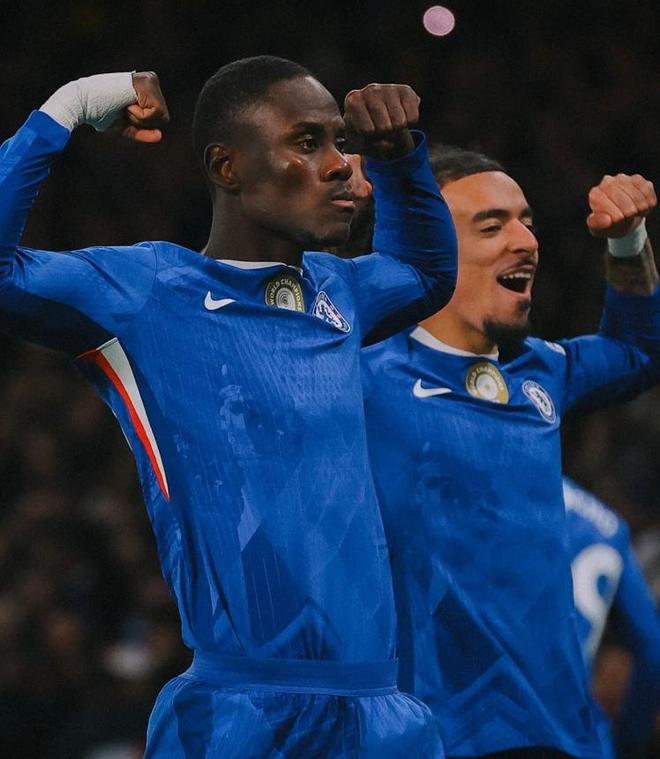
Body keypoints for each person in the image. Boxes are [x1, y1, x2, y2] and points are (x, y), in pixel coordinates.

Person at [0, 57, 457, 756]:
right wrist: (70, 105)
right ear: (227, 166)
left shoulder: (341, 290)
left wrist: (398, 157)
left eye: (341, 142)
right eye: (307, 142)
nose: (341, 164)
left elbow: (427, 272)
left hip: (381, 713)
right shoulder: (147, 291)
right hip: (241, 716)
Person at [361, 144, 660, 757]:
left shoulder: (540, 369)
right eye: (491, 226)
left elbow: (640, 351)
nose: (526, 241)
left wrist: (628, 241)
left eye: (526, 221)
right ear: (428, 245)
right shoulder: (362, 378)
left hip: (566, 740)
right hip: (440, 740)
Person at [564, 477, 660, 759]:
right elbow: (652, 648)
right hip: (581, 735)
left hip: (490, 718)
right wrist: (629, 740)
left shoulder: (506, 493)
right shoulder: (611, 529)